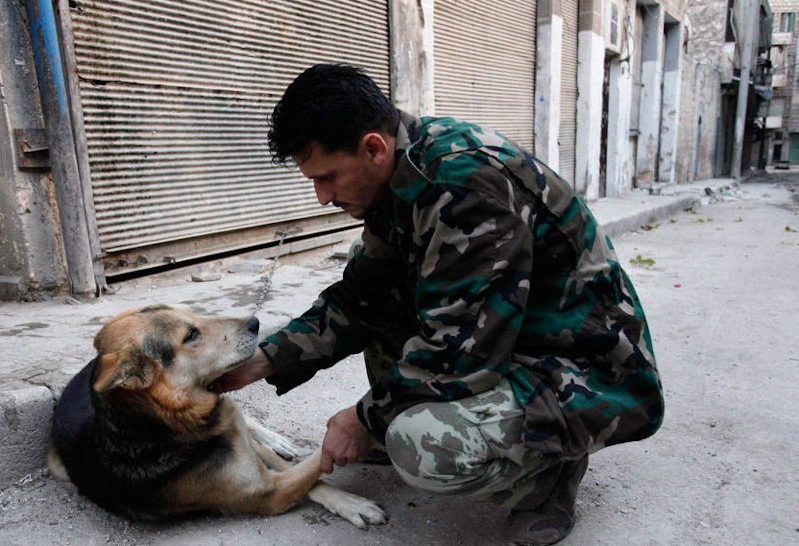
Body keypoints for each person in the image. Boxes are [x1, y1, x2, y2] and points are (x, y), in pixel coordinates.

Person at [212, 64, 664, 545]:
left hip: (587, 368)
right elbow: (359, 299)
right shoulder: (400, 178)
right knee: (383, 293)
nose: (322, 197)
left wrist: (364, 418)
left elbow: (459, 356)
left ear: (373, 148)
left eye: (327, 178)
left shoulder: (464, 184)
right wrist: (264, 359)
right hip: (512, 335)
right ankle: (437, 424)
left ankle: (547, 474)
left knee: (421, 444)